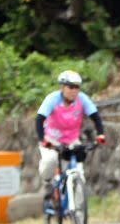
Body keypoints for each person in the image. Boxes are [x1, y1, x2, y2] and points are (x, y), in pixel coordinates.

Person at [36, 70, 106, 204]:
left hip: (72, 140)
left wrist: (100, 135)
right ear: (62, 87)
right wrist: (42, 140)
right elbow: (39, 119)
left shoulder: (82, 99)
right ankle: (47, 184)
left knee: (79, 174)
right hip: (51, 139)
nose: (74, 90)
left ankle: (78, 213)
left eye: (77, 87)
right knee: (50, 160)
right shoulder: (52, 99)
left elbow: (96, 117)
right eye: (71, 87)